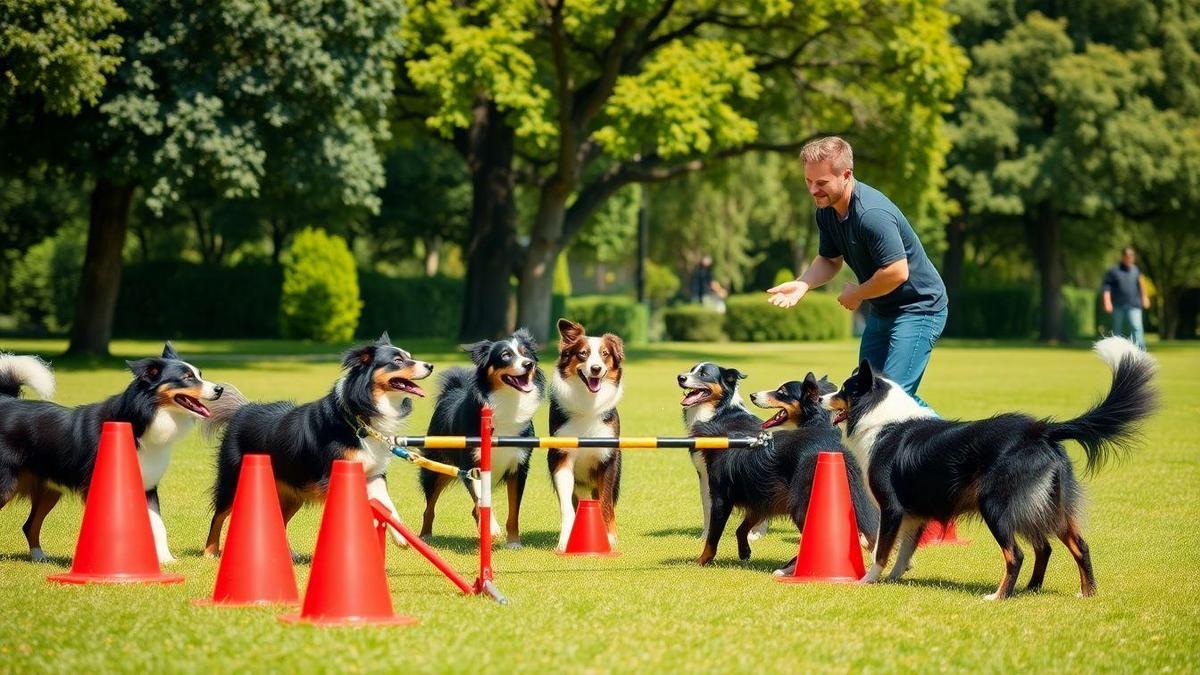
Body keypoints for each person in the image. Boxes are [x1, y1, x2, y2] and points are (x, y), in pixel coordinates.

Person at [767, 136, 948, 408]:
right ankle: (942, 440)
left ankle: (948, 447)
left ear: (846, 175)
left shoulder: (871, 214)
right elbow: (829, 260)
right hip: (884, 309)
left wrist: (858, 293)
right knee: (863, 396)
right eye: (809, 182)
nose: (813, 190)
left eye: (822, 183)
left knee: (890, 400)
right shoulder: (826, 211)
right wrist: (803, 283)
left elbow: (898, 272)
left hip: (919, 308)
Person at [1102, 247, 1150, 350]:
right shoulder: (1114, 271)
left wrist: (1145, 297)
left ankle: (1140, 351)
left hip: (1134, 305)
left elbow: (1142, 285)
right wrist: (1107, 301)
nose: (1129, 258)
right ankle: (1117, 351)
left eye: (1131, 256)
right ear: (1123, 256)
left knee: (1136, 327)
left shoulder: (1136, 270)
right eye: (1127, 256)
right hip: (1118, 305)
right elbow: (1106, 287)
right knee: (1117, 330)